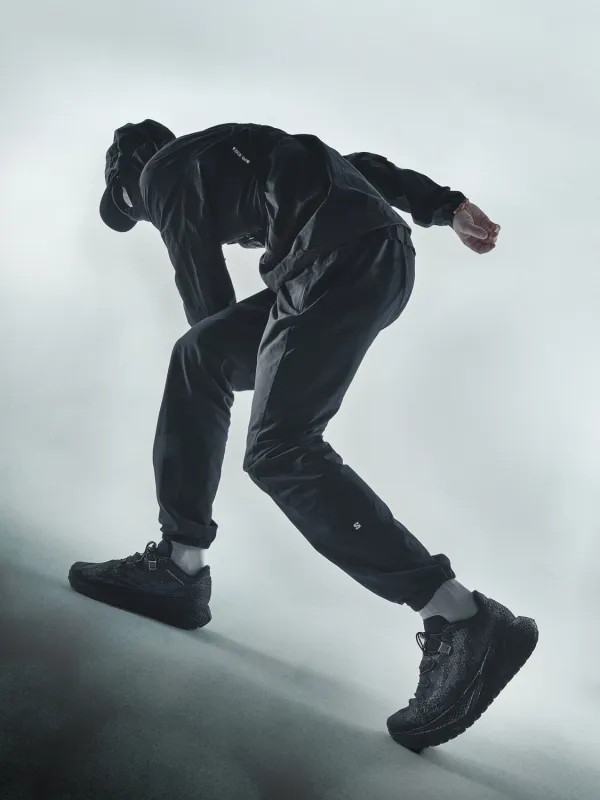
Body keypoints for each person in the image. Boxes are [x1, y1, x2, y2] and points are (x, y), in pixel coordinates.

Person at [68, 119, 538, 751]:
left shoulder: (162, 173)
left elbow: (203, 290)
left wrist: (247, 365)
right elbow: (357, 165)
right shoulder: (236, 155)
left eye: (131, 208)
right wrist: (443, 206)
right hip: (369, 257)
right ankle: (180, 565)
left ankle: (460, 616)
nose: (144, 216)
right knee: (198, 357)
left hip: (331, 259)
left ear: (128, 179)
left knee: (278, 447)